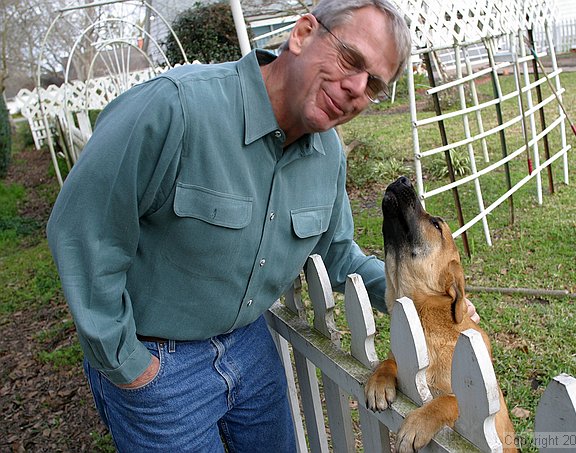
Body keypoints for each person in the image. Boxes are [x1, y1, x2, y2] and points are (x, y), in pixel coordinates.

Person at [47, 1, 412, 451]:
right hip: (159, 365)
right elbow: (84, 230)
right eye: (350, 59)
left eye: (373, 83)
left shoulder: (329, 156)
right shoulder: (174, 108)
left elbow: (338, 256)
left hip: (251, 348)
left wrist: (414, 293)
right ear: (301, 34)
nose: (357, 87)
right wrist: (128, 364)